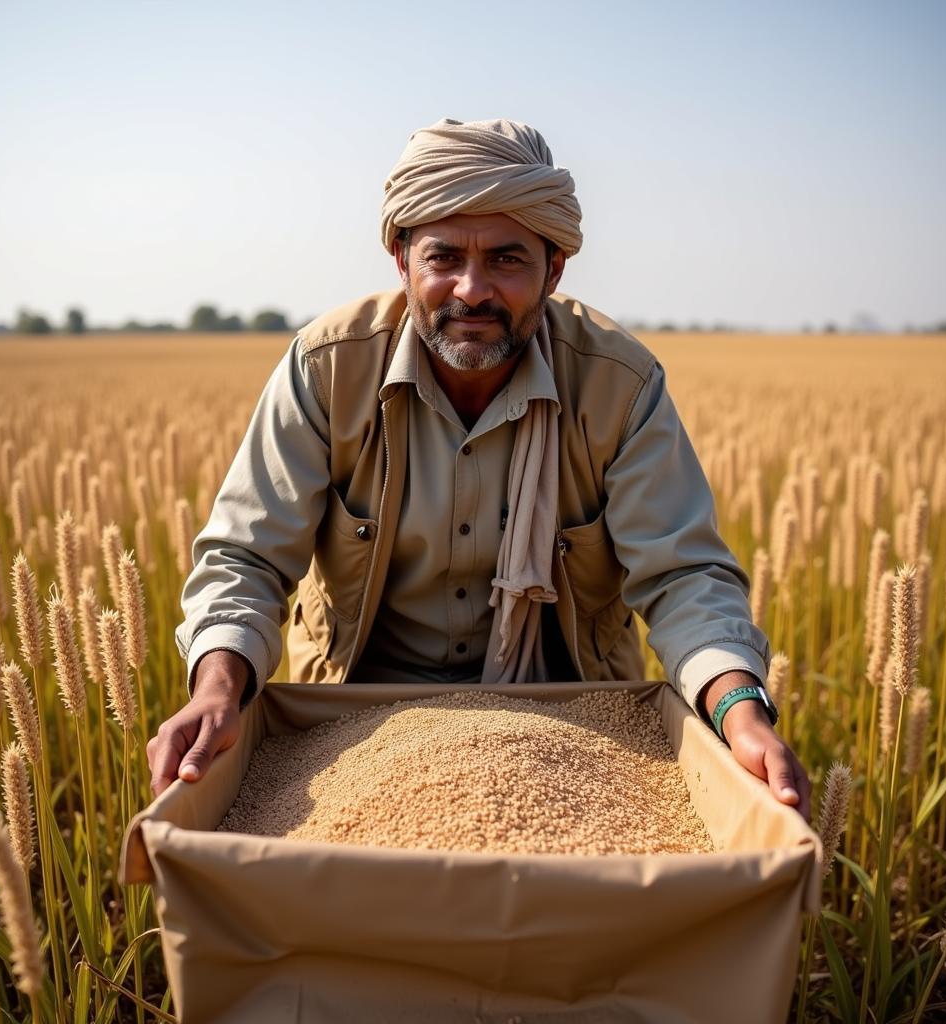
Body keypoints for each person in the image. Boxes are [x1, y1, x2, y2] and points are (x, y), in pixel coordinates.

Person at [147, 117, 811, 822]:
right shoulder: (327, 369)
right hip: (350, 727)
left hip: (575, 730)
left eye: (507, 259)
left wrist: (738, 707)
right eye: (443, 258)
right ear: (402, 261)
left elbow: (683, 574)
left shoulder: (619, 384)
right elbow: (247, 555)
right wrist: (218, 686)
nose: (471, 290)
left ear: (554, 270)